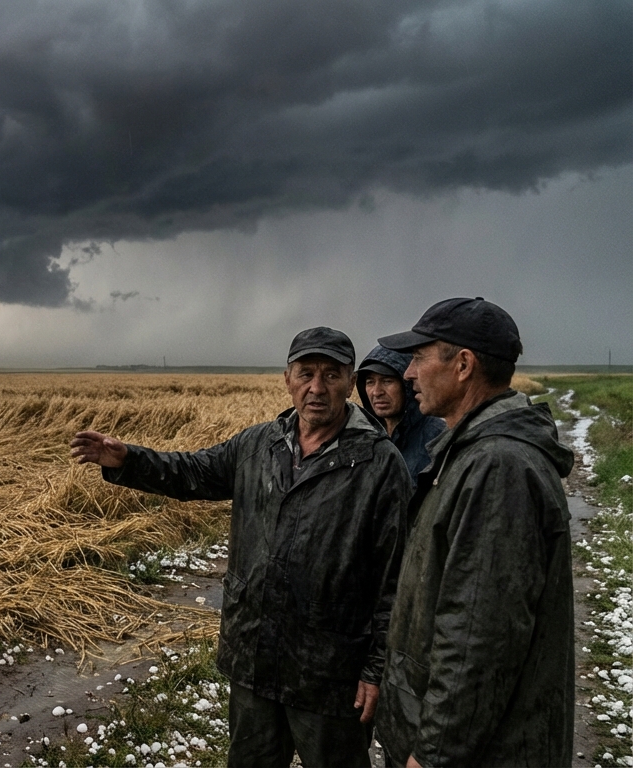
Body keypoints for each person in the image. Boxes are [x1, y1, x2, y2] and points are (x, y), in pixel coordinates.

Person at [70, 327, 412, 768]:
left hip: (331, 671)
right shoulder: (258, 445)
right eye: (306, 373)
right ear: (287, 378)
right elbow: (192, 472)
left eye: (331, 375)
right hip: (254, 656)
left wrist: (376, 668)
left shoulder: (379, 464)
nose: (317, 387)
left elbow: (396, 580)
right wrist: (127, 460)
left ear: (350, 382)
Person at [373, 297, 574, 768]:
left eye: (420, 358)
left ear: (463, 365)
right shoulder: (473, 454)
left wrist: (435, 753)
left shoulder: (497, 467)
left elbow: (478, 641)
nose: (408, 373)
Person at [356, 345, 446, 485]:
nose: (376, 392)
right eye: (370, 382)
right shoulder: (363, 438)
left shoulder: (437, 437)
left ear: (408, 385)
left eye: (387, 381)